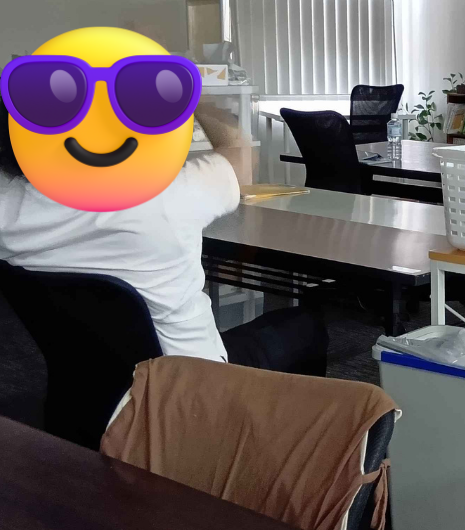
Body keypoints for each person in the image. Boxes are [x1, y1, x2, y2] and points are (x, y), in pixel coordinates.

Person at [0, 100, 328, 375]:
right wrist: (194, 97)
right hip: (191, 387)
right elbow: (240, 157)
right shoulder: (164, 197)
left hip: (87, 391)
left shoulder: (7, 208)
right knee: (305, 325)